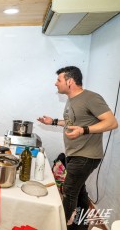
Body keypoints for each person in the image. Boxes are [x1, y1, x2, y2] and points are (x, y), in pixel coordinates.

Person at [37, 66, 118, 230]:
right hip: (75, 154)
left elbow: (112, 122)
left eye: (59, 80)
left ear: (70, 81)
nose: (55, 83)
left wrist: (84, 130)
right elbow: (71, 123)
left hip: (86, 155)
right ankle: (81, 225)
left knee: (69, 191)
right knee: (79, 190)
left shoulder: (91, 98)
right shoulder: (72, 99)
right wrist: (52, 121)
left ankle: (59, 226)